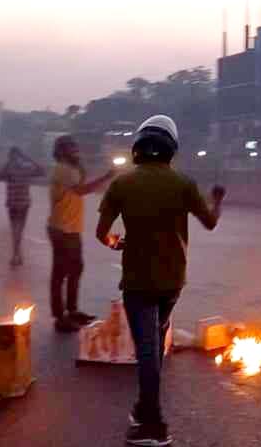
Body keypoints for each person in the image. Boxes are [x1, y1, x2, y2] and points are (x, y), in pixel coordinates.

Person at [96, 115, 224, 447]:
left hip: (138, 282)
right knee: (155, 341)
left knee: (148, 352)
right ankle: (143, 408)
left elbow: (102, 234)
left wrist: (118, 243)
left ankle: (153, 426)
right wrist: (218, 200)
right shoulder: (183, 183)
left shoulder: (121, 184)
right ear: (171, 149)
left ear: (138, 146)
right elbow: (210, 222)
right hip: (172, 281)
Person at [48, 135, 114, 332]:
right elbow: (82, 190)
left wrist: (81, 165)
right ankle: (60, 317)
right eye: (71, 149)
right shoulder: (63, 170)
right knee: (61, 272)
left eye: (76, 148)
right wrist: (107, 177)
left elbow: (81, 180)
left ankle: (72, 311)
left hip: (70, 228)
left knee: (75, 269)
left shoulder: (70, 169)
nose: (76, 151)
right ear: (61, 151)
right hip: (62, 228)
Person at [0, 147, 45, 266]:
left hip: (13, 203)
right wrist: (28, 157)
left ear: (10, 156)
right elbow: (42, 170)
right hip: (24, 203)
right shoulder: (27, 167)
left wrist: (8, 162)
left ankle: (16, 254)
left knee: (15, 229)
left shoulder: (9, 168)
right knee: (19, 230)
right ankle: (17, 254)